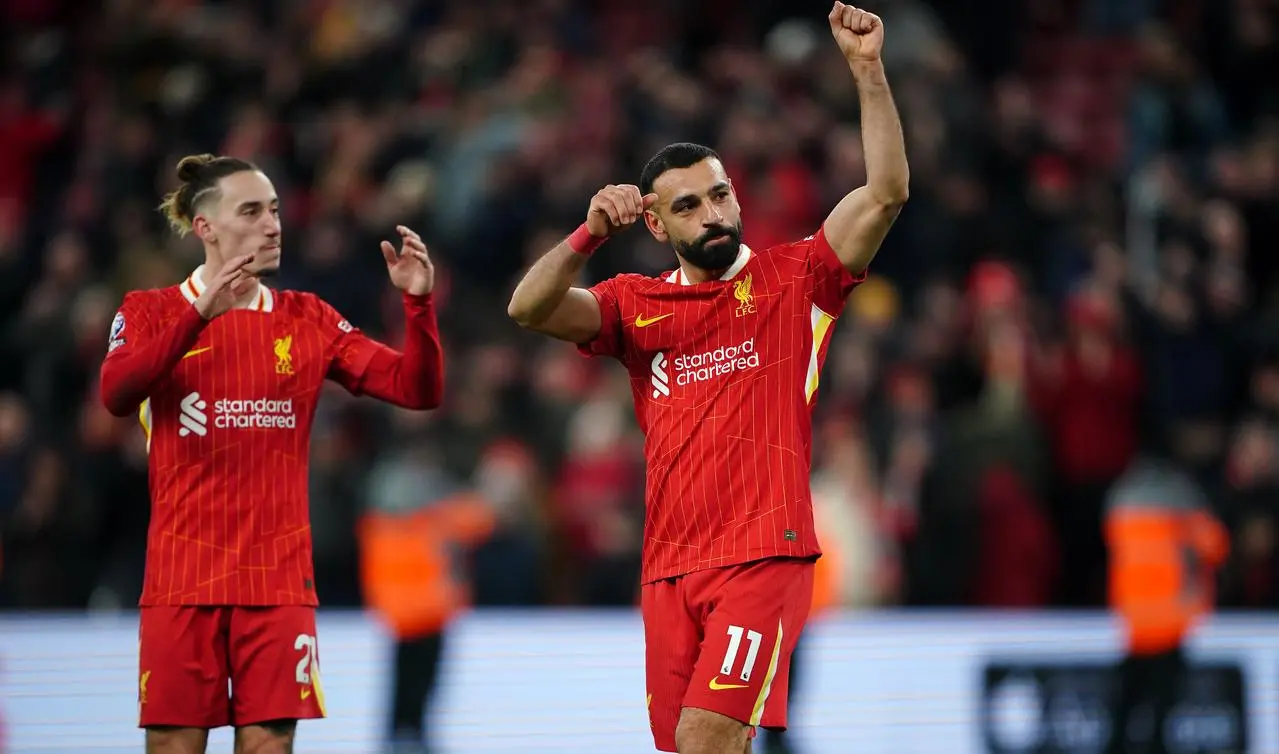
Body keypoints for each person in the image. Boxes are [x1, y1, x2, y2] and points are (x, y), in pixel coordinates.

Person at [507, 5, 908, 752]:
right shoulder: (634, 304)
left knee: (704, 742)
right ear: (657, 226)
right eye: (687, 206)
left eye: (719, 194)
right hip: (667, 568)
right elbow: (528, 307)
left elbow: (884, 193)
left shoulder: (799, 280)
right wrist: (589, 233)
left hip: (763, 554)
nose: (712, 213)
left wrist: (866, 72)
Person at [98, 153, 445, 754]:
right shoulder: (148, 311)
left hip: (278, 581)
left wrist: (417, 306)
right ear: (205, 227)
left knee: (269, 746)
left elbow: (416, 390)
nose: (272, 225)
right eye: (252, 211)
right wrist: (200, 312)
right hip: (184, 580)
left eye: (276, 210)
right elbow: (116, 394)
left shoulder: (307, 318)